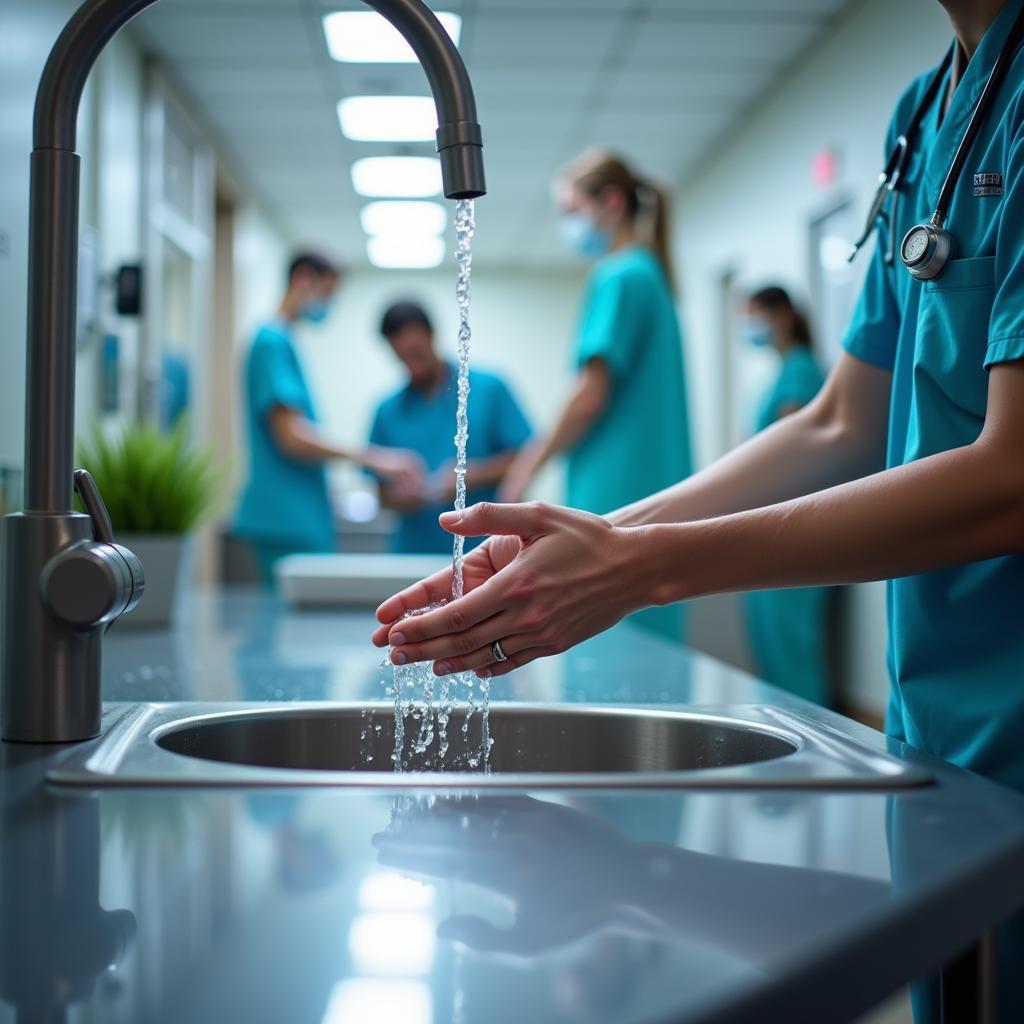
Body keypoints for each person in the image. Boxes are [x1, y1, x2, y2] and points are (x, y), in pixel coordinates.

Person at [374, 2, 1024, 1014]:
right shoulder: (926, 112)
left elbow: (1012, 474)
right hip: (940, 719)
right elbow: (837, 423)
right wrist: (605, 539)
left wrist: (638, 564)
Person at [498, 150, 692, 642]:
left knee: (610, 654)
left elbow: (589, 396)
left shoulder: (621, 276)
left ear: (609, 202)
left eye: (570, 210)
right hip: (653, 498)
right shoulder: (650, 276)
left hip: (616, 499)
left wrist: (526, 466)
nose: (567, 226)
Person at [233, 252, 423, 583]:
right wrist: (376, 458)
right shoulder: (271, 342)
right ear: (304, 279)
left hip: (299, 514)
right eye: (328, 293)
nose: (328, 305)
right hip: (285, 517)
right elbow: (291, 437)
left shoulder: (282, 342)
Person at [368, 299, 532, 554]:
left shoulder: (489, 389)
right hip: (413, 552)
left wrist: (470, 476)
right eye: (402, 358)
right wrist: (403, 496)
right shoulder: (386, 410)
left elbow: (527, 455)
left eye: (416, 353)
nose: (413, 365)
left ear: (432, 335)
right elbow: (380, 493)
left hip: (486, 549)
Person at [741, 286, 830, 705]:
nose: (748, 327)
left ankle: (816, 752)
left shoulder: (800, 370)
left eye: (755, 315)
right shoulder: (782, 373)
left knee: (791, 647)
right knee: (772, 646)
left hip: (793, 524)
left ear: (784, 316)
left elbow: (788, 449)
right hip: (771, 522)